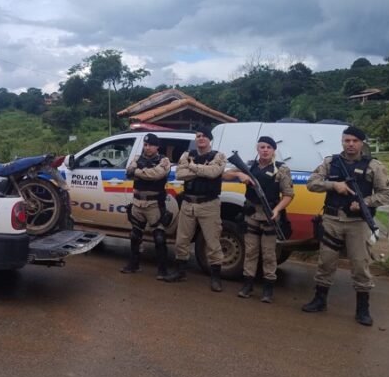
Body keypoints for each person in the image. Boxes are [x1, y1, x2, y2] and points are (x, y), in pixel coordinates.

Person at [302, 126, 389, 326]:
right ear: (342, 142)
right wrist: (333, 185)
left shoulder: (373, 166)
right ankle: (320, 300)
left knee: (360, 265)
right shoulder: (331, 162)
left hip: (357, 223)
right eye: (347, 140)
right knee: (326, 262)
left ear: (362, 143)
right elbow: (311, 183)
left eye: (355, 141)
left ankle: (363, 309)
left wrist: (364, 202)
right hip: (332, 219)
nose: (350, 144)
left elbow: (386, 194)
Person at [224, 136, 294, 303]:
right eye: (262, 147)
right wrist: (240, 174)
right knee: (250, 251)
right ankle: (248, 284)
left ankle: (268, 288)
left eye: (269, 147)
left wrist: (277, 210)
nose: (265, 150)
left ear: (274, 150)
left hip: (270, 215)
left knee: (269, 254)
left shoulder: (281, 169)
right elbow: (224, 174)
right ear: (257, 149)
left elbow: (288, 195)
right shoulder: (250, 166)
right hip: (251, 214)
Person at [164, 126, 227, 291]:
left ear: (210, 139)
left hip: (209, 205)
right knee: (181, 240)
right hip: (188, 203)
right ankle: (180, 272)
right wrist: (201, 170)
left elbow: (214, 172)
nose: (201, 138)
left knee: (212, 242)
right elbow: (180, 174)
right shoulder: (187, 155)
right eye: (198, 136)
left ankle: (216, 277)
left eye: (204, 136)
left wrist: (192, 167)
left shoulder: (219, 156)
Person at [120, 133, 172, 279]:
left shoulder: (164, 160)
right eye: (145, 144)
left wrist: (138, 172)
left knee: (159, 237)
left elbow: (156, 175)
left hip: (154, 204)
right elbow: (128, 172)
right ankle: (134, 265)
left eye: (150, 145)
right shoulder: (137, 158)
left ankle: (162, 271)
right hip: (137, 202)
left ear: (157, 147)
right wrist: (143, 172)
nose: (147, 147)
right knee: (135, 235)